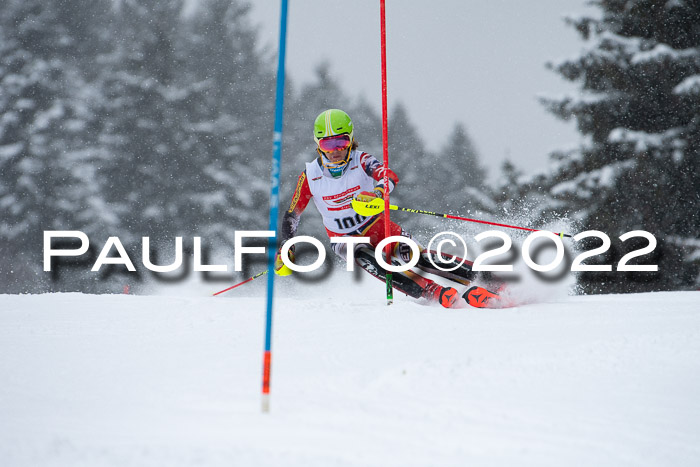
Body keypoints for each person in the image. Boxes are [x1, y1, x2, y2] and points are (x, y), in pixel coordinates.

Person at [274, 109, 500, 308]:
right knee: (371, 259)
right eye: (328, 144)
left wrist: (379, 193)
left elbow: (387, 175)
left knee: (417, 258)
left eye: (341, 142)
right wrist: (286, 245)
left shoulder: (360, 160)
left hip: (377, 225)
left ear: (351, 140)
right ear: (318, 144)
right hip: (344, 239)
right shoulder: (310, 176)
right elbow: (292, 215)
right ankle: (432, 291)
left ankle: (489, 279)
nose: (336, 151)